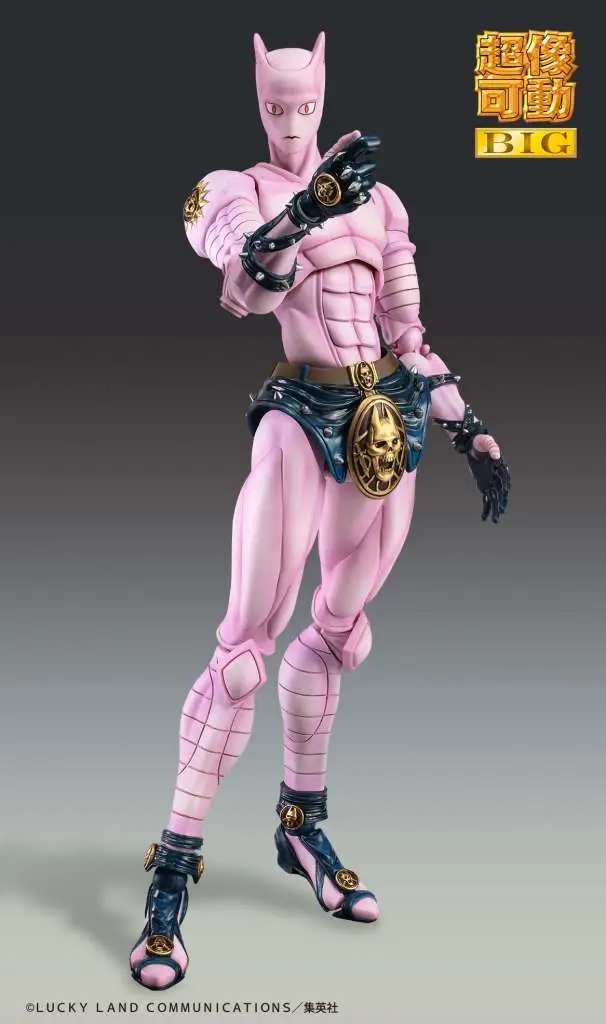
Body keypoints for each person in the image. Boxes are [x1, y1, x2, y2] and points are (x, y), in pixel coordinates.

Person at [129, 31, 510, 991]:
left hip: (386, 420)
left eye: (305, 105)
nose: (292, 121)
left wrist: (471, 431)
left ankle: (300, 829)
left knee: (339, 635)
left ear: (325, 94)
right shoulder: (233, 188)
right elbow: (245, 289)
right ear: (259, 97)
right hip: (300, 417)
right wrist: (304, 210)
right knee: (245, 651)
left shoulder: (385, 203)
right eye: (277, 105)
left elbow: (409, 334)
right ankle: (172, 872)